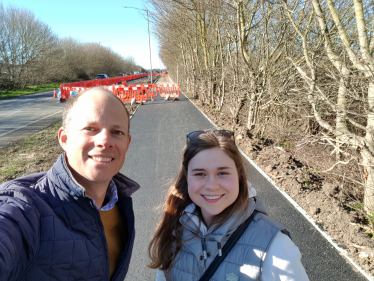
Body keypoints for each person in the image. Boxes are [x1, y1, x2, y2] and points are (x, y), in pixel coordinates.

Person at [0, 87, 139, 281]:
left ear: (127, 143)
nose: (105, 141)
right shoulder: (25, 206)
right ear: (64, 139)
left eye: (117, 132)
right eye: (90, 129)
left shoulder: (121, 204)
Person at [148, 130, 309, 281]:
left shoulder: (276, 246)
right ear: (187, 178)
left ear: (239, 177)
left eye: (222, 173)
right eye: (200, 174)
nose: (212, 185)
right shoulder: (174, 232)